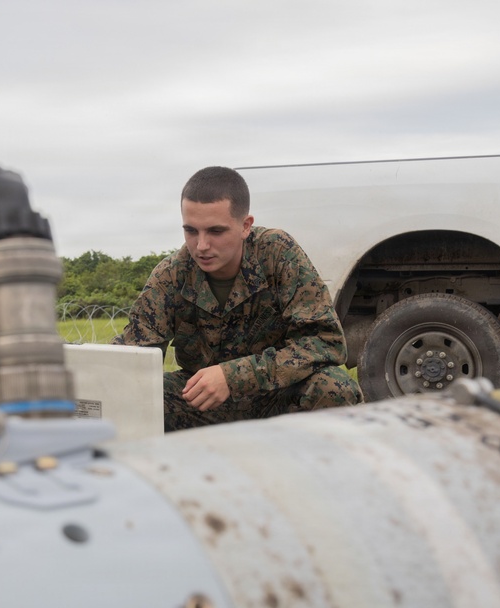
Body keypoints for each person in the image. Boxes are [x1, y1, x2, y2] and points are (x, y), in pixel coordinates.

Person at [113, 166, 359, 431]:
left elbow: (326, 344)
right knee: (129, 397)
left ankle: (315, 468)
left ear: (245, 226)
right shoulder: (171, 275)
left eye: (216, 231)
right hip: (203, 406)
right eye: (191, 231)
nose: (201, 245)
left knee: (334, 388)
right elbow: (132, 359)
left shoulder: (277, 254)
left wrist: (233, 377)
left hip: (277, 398)